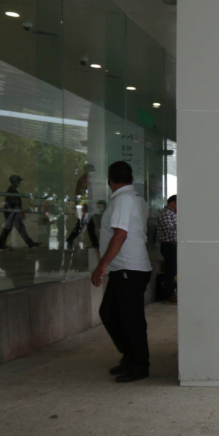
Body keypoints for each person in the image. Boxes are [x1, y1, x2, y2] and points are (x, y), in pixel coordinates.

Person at [91, 161, 152, 383]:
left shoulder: (123, 200)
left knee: (131, 319)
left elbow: (120, 235)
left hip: (129, 267)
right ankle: (131, 357)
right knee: (110, 313)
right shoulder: (136, 199)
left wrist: (101, 265)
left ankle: (140, 364)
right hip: (128, 268)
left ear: (110, 178)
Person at [0, 174, 40, 250]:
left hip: (12, 212)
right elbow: (16, 202)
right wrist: (21, 212)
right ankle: (0, 246)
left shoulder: (12, 189)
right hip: (13, 212)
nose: (20, 182)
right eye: (19, 181)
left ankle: (31, 244)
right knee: (10, 228)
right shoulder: (12, 190)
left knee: (17, 228)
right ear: (16, 181)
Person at [157, 195, 178, 304]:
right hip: (169, 246)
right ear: (172, 203)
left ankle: (174, 292)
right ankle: (169, 295)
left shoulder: (173, 214)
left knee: (174, 270)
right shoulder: (166, 214)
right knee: (170, 271)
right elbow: (169, 231)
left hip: (175, 245)